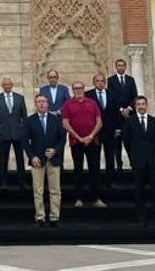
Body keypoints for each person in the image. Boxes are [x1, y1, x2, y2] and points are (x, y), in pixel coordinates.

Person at [123, 96, 155, 228]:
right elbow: (127, 142)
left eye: (143, 104)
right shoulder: (130, 121)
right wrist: (134, 157)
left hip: (152, 161)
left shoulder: (154, 121)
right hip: (137, 162)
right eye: (138, 104)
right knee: (138, 191)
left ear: (147, 105)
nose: (141, 106)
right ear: (135, 106)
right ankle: (140, 217)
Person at [61, 80, 104, 208]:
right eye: (75, 88)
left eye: (80, 88)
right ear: (72, 90)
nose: (78, 90)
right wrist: (79, 138)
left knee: (94, 170)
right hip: (76, 142)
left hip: (93, 141)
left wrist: (90, 136)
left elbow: (99, 122)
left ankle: (95, 198)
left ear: (84, 89)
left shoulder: (92, 103)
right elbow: (65, 123)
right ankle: (78, 198)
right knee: (78, 170)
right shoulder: (67, 104)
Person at [25, 93, 65, 228]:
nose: (41, 104)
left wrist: (55, 150)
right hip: (37, 160)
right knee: (38, 190)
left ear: (48, 104)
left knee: (55, 190)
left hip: (53, 159)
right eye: (38, 102)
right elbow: (25, 141)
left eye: (43, 101)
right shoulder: (29, 120)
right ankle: (40, 217)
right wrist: (32, 156)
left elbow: (62, 139)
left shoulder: (56, 120)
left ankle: (54, 218)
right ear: (35, 105)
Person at [0, 76, 28, 190]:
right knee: (3, 159)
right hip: (3, 134)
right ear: (2, 86)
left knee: (20, 159)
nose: (7, 86)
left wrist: (25, 132)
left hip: (18, 133)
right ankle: (3, 183)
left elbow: (25, 117)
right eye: (5, 85)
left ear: (12, 85)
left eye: (9, 84)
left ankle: (22, 182)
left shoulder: (20, 98)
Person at [87, 73, 122, 187]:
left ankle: (110, 181)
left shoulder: (112, 93)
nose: (100, 83)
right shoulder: (88, 95)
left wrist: (118, 128)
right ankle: (95, 182)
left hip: (110, 130)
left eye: (102, 81)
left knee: (110, 156)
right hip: (95, 132)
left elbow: (117, 112)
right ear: (94, 82)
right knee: (94, 157)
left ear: (105, 82)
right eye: (98, 81)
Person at [107, 59, 138, 171]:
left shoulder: (130, 80)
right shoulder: (111, 80)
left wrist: (129, 109)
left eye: (123, 65)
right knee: (117, 143)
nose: (121, 67)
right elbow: (111, 96)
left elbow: (135, 96)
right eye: (118, 65)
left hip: (129, 115)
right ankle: (119, 165)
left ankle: (133, 164)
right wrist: (121, 109)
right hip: (117, 116)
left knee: (130, 141)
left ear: (125, 67)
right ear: (116, 67)